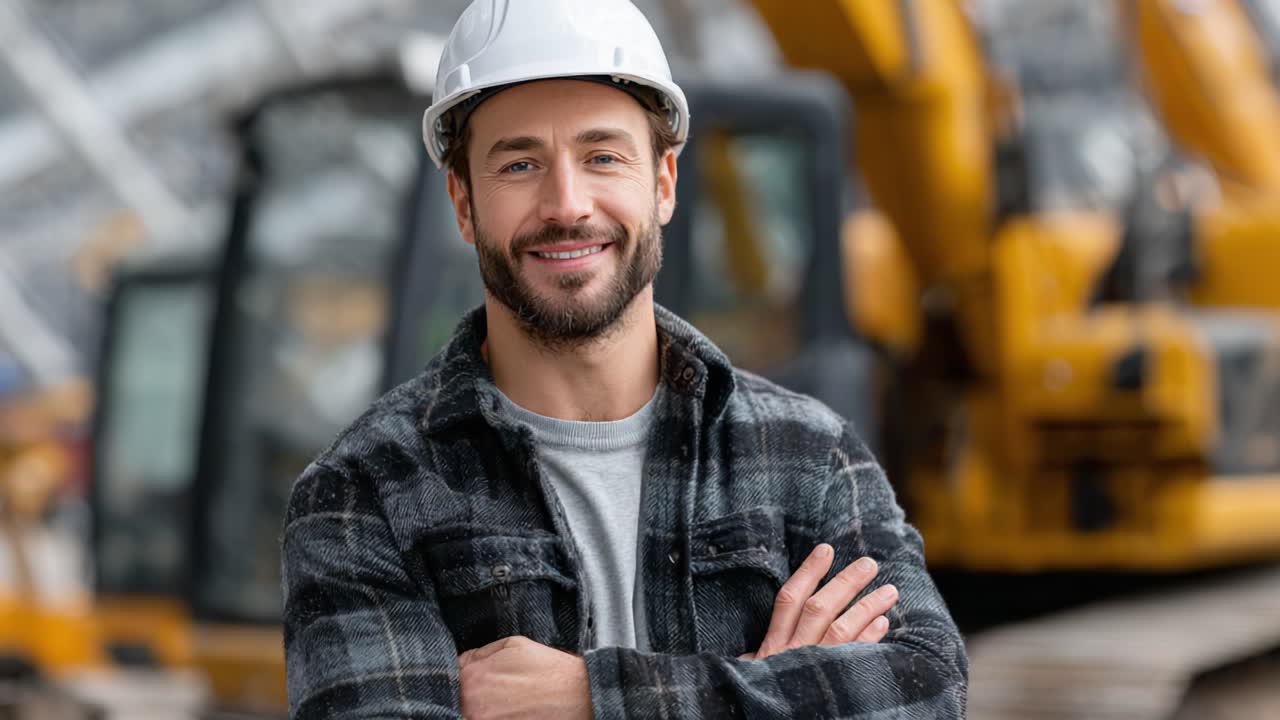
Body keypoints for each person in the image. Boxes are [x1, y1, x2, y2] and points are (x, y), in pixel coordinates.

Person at [280, 0, 968, 717]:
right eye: (519, 163)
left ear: (663, 183)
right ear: (463, 202)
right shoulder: (365, 493)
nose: (567, 203)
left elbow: (927, 690)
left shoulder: (808, 458)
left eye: (602, 156)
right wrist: (764, 688)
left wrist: (593, 698)